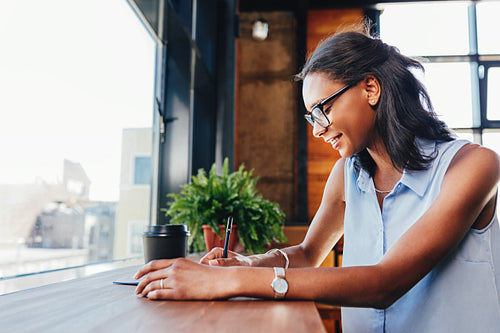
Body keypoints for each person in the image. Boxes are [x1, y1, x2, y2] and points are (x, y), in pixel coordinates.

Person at [134, 30, 500, 332]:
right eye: (312, 117)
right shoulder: (347, 175)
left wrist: (228, 283)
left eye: (323, 109)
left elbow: (387, 282)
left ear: (370, 89)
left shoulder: (474, 166)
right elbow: (309, 254)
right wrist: (247, 265)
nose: (319, 129)